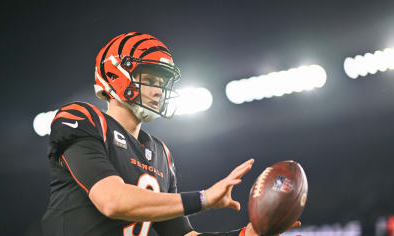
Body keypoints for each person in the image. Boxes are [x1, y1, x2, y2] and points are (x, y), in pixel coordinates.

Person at [42, 32, 300, 236]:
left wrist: (245, 234)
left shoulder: (160, 154)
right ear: (116, 74)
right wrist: (204, 198)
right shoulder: (82, 119)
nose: (158, 92)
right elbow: (112, 201)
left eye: (162, 85)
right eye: (151, 81)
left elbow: (183, 235)